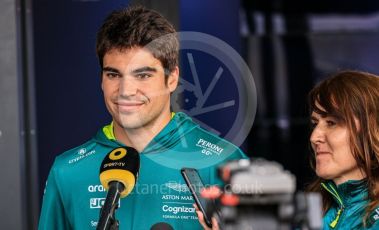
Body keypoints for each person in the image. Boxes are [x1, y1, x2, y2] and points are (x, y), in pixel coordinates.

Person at [38, 5, 246, 230]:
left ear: (172, 78)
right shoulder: (67, 170)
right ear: (101, 79)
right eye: (113, 74)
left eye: (143, 75)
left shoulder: (221, 162)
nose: (126, 90)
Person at [307, 70, 379, 229]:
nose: (314, 137)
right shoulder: (314, 208)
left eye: (331, 122)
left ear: (373, 129)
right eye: (315, 123)